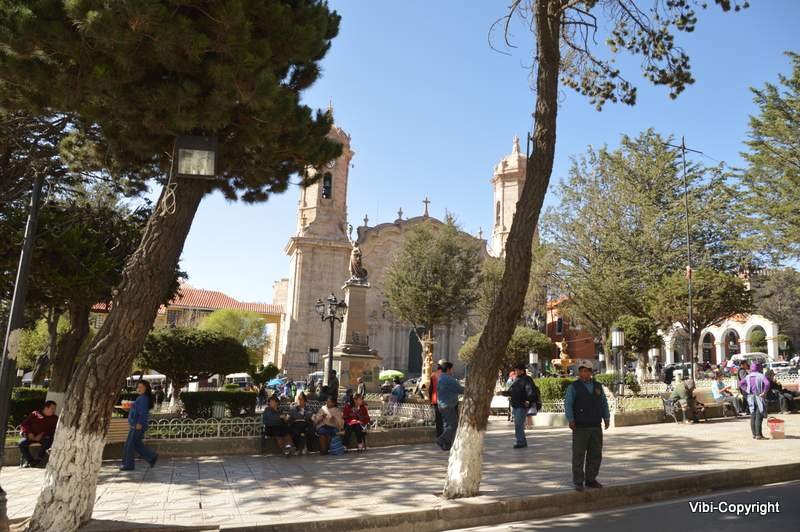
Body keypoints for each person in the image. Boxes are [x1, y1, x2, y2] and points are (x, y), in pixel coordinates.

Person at [565, 361, 610, 492]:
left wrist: (606, 417)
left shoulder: (597, 386)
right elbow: (568, 404)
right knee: (578, 454)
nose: (583, 373)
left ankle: (591, 479)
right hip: (580, 426)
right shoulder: (573, 387)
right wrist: (571, 419)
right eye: (581, 371)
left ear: (591, 372)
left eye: (586, 371)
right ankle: (578, 481)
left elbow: (604, 403)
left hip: (595, 425)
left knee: (595, 454)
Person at [498, 363, 539, 449]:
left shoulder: (527, 379)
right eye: (515, 370)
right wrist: (502, 393)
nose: (515, 371)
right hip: (516, 405)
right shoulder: (516, 380)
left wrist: (528, 400)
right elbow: (512, 392)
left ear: (522, 371)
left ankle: (520, 442)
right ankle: (521, 441)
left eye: (517, 370)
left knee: (519, 424)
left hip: (522, 405)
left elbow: (530, 390)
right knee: (518, 424)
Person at [121, 380, 158, 471]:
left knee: (130, 445)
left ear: (146, 388)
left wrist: (139, 423)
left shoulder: (143, 399)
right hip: (135, 425)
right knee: (136, 444)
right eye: (138, 387)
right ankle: (151, 457)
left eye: (142, 387)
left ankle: (128, 465)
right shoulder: (141, 398)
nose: (139, 389)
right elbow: (137, 409)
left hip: (138, 425)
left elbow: (143, 412)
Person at [18, 400, 58, 468]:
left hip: (44, 438)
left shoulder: (54, 418)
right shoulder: (35, 414)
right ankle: (30, 461)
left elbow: (53, 430)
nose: (54, 410)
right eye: (52, 408)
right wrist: (29, 432)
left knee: (47, 440)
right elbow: (24, 424)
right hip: (31, 437)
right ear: (46, 408)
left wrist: (42, 434)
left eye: (54, 409)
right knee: (22, 443)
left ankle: (38, 459)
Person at [435, 362, 464, 451]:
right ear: (448, 369)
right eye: (451, 369)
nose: (452, 371)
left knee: (447, 425)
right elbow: (460, 390)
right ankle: (441, 440)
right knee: (454, 425)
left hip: (441, 405)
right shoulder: (450, 379)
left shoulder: (441, 378)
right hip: (448, 406)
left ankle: (446, 445)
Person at [740, 362, 770, 440]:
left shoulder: (748, 376)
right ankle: (758, 435)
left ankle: (754, 434)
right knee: (759, 415)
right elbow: (767, 383)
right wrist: (764, 392)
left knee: (753, 415)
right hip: (759, 397)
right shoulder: (761, 376)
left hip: (750, 397)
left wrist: (746, 389)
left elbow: (741, 383)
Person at [430, 363, 444, 438]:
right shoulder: (446, 376)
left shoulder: (433, 375)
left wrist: (430, 399)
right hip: (444, 400)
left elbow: (431, 388)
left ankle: (439, 434)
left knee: (438, 419)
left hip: (435, 399)